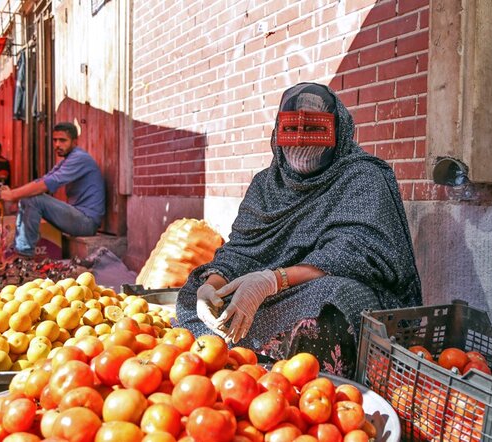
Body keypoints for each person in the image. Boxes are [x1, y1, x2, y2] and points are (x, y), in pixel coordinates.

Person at [176, 83, 422, 378]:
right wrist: (213, 287)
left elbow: (357, 254)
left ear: (338, 129)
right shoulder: (266, 184)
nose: (301, 140)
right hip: (275, 298)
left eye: (315, 129)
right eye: (291, 130)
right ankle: (236, 360)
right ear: (277, 131)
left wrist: (273, 280)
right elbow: (241, 249)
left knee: (332, 300)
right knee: (191, 294)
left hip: (328, 289)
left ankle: (300, 374)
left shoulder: (363, 176)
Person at [0, 122, 105, 259]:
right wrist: (14, 192)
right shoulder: (65, 161)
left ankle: (24, 256)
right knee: (28, 196)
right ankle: (19, 250)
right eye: (55, 140)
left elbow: (47, 184)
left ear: (74, 141)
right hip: (78, 216)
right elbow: (41, 180)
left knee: (34, 198)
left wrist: (13, 195)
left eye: (63, 140)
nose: (57, 145)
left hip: (87, 223)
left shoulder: (80, 158)